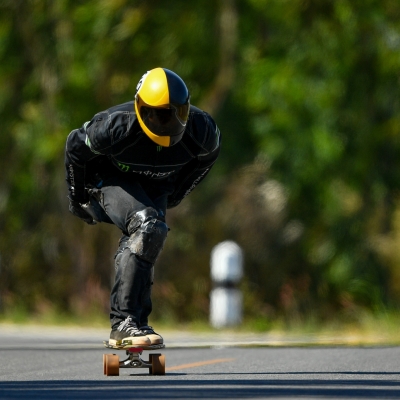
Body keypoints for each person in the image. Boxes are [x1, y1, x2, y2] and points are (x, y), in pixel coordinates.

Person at [65, 67, 221, 348]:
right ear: (140, 108)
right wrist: (78, 198)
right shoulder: (114, 126)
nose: (168, 122)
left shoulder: (202, 130)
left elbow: (207, 159)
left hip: (158, 186)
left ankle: (136, 323)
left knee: (151, 236)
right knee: (146, 224)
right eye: (159, 114)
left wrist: (177, 192)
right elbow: (75, 147)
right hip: (109, 181)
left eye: (177, 113)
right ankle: (123, 322)